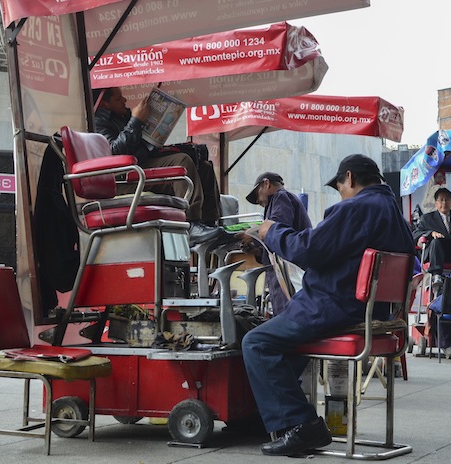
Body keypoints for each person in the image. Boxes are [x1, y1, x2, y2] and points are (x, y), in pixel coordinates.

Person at [241, 154, 414, 456]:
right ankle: (280, 417)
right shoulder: (394, 214)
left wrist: (273, 233)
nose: (341, 194)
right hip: (373, 310)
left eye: (339, 188)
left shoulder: (357, 207)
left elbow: (310, 250)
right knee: (285, 348)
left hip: (334, 306)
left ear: (349, 178)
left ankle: (303, 425)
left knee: (256, 342)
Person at [92, 87, 223, 244]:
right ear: (104, 104)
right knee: (182, 162)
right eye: (118, 99)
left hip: (142, 165)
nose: (124, 101)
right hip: (125, 178)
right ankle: (191, 223)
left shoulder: (123, 115)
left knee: (204, 166)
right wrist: (136, 121)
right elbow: (114, 152)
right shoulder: (98, 121)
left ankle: (209, 225)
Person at [238, 172, 312, 317]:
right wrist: (257, 250)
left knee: (288, 318)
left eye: (258, 194)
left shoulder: (281, 197)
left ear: (267, 184)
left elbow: (277, 229)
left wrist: (252, 235)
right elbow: (277, 241)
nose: (258, 201)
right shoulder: (279, 201)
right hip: (284, 272)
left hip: (288, 272)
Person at [413, 187, 451, 290]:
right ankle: (436, 276)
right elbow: (416, 234)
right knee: (435, 242)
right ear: (436, 203)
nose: (444, 203)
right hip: (437, 253)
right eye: (441, 200)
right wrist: (431, 233)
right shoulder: (427, 218)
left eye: (447, 200)